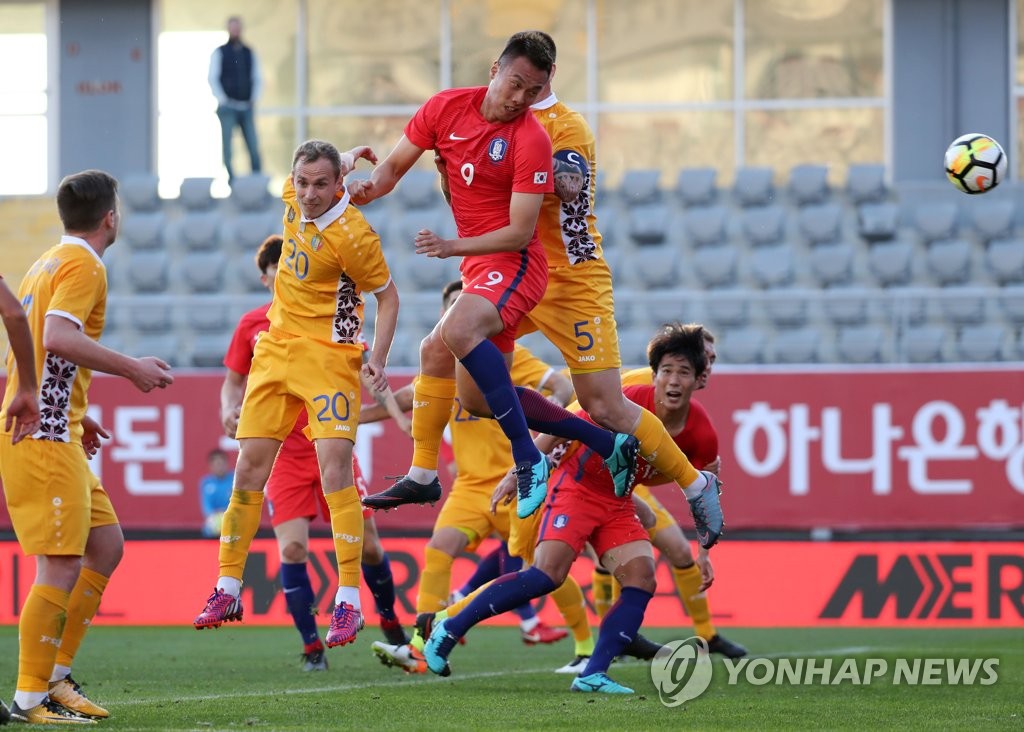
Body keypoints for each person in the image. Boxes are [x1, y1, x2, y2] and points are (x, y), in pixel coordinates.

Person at [351, 31, 640, 522]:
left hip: (518, 263)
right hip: (479, 266)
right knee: (459, 379)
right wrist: (350, 184)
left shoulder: (532, 136)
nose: (521, 98)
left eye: (533, 91)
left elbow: (519, 233)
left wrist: (448, 247)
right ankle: (426, 474)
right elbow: (387, 175)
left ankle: (529, 459)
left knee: (458, 330)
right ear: (494, 70)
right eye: (515, 84)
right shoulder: (445, 108)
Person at [418, 324, 719, 693]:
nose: (673, 381)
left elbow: (707, 491)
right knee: (547, 574)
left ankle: (593, 673)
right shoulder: (631, 398)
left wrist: (703, 551)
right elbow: (569, 421)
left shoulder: (701, 431)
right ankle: (450, 625)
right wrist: (519, 472)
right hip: (576, 485)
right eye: (667, 371)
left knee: (642, 577)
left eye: (684, 373)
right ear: (654, 374)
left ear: (699, 380)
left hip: (619, 500)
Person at [192, 140, 399, 653]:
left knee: (335, 471)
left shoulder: (355, 235)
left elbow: (388, 296)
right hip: (276, 352)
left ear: (337, 188)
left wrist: (380, 357)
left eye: (321, 184)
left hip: (330, 359)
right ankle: (226, 588)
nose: (307, 194)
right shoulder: (292, 193)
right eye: (302, 182)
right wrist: (349, 156)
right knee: (247, 470)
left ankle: (348, 600)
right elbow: (324, 168)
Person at [0, 170, 173, 723]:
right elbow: (57, 338)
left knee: (105, 546)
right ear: (110, 217)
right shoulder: (83, 264)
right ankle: (30, 698)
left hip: (60, 428)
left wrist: (83, 413)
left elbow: (43, 356)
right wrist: (133, 370)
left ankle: (54, 676)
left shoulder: (47, 261)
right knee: (60, 563)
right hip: (43, 436)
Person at [362, 281, 590, 675]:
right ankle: (419, 645)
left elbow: (564, 388)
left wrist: (543, 442)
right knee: (438, 550)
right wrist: (334, 420)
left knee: (543, 567)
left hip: (513, 482)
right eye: (452, 308)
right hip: (469, 487)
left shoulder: (509, 357)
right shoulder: (440, 365)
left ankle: (586, 646)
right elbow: (400, 403)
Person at [216, 234, 410, 671]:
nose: (281, 277)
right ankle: (311, 646)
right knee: (292, 552)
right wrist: (230, 409)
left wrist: (397, 415)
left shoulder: (328, 322)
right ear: (268, 278)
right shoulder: (252, 326)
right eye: (274, 273)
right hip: (285, 458)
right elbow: (232, 381)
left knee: (372, 549)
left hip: (332, 452)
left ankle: (391, 623)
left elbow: (364, 372)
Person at [589, 324, 746, 660]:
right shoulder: (635, 389)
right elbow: (583, 411)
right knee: (592, 561)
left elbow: (701, 486)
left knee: (678, 551)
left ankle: (706, 635)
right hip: (589, 477)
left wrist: (707, 550)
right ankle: (595, 644)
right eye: (706, 358)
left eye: (712, 361)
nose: (710, 369)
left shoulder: (697, 423)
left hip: (629, 484)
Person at [208, 16, 262, 183]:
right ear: (228, 29)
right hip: (228, 107)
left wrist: (253, 98)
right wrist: (223, 99)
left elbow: (257, 77)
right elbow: (212, 77)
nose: (235, 31)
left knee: (253, 146)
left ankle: (256, 179)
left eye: (237, 28)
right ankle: (231, 181)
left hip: (246, 106)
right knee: (228, 148)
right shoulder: (220, 52)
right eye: (232, 28)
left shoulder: (249, 52)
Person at [199, 448, 234, 537]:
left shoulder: (236, 480)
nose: (220, 467)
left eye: (222, 464)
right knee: (210, 527)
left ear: (227, 464)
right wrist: (216, 517)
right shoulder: (206, 483)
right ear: (211, 466)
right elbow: (206, 507)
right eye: (217, 464)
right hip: (214, 520)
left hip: (233, 520)